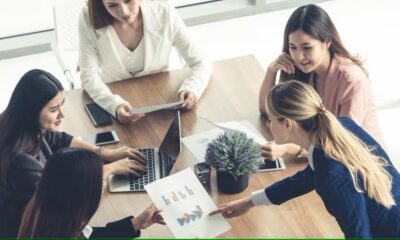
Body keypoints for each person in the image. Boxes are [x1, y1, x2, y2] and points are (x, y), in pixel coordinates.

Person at [210, 81, 400, 238]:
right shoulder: (343, 127)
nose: (268, 125)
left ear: (287, 123)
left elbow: (358, 234)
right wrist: (249, 202)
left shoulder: (330, 175)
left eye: (270, 119)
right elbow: (308, 177)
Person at [0, 69, 146, 237]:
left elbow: (59, 139)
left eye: (62, 105)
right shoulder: (20, 163)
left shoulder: (19, 125)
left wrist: (104, 153)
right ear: (32, 110)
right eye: (54, 109)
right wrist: (106, 170)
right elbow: (63, 201)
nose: (62, 114)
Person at [258, 4, 384, 161]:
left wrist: (291, 148)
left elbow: (341, 144)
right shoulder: (304, 71)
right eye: (293, 48)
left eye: (307, 48)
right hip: (324, 156)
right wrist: (271, 70)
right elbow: (267, 111)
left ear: (327, 42)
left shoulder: (352, 81)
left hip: (364, 164)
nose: (299, 56)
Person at [78, 0, 212, 123]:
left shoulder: (164, 11)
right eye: (112, 5)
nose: (124, 11)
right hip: (113, 100)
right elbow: (88, 76)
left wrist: (192, 88)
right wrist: (114, 105)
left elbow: (201, 61)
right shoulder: (87, 19)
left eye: (128, 0)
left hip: (161, 104)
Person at [18, 148, 165, 238]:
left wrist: (135, 224)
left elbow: (90, 236)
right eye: (101, 180)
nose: (105, 185)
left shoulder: (46, 218)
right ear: (84, 196)